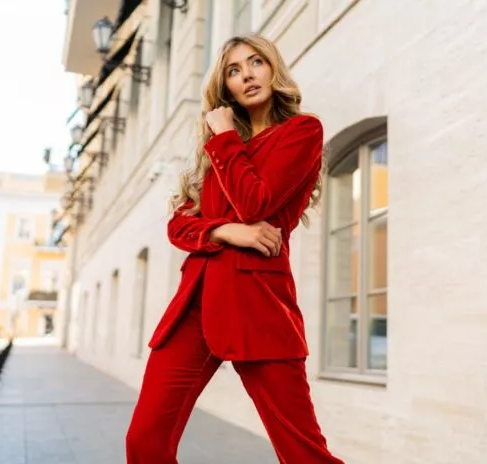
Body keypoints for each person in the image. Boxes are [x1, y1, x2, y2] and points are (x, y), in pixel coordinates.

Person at [125, 34, 345, 464]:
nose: (247, 75)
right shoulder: (217, 154)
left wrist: (224, 134)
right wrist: (226, 231)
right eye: (233, 70)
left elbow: (255, 203)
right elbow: (178, 225)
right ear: (225, 87)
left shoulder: (302, 132)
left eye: (256, 62)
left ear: (273, 68)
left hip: (258, 306)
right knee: (144, 442)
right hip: (194, 304)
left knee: (303, 454)